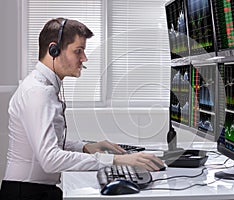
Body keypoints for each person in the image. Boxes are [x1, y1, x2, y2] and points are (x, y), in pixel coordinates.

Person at [0, 18, 164, 200]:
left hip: (33, 189)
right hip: (26, 193)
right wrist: (117, 160)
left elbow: (45, 141)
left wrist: (86, 147)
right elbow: (50, 159)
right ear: (53, 50)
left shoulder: (42, 87)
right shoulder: (38, 93)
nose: (84, 58)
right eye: (78, 51)